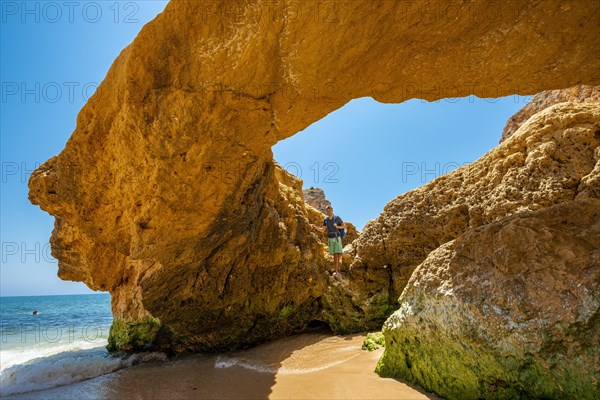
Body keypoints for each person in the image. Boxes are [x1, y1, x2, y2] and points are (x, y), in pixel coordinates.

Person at [317, 205, 346, 276]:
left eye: (329, 210)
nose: (328, 211)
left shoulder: (337, 218)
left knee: (337, 255)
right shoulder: (325, 220)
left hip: (337, 237)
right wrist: (315, 227)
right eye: (327, 210)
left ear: (332, 210)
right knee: (334, 256)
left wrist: (337, 226)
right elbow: (322, 230)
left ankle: (337, 272)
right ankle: (337, 270)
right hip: (330, 238)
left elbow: (344, 226)